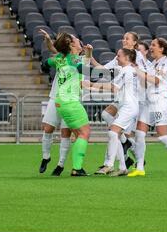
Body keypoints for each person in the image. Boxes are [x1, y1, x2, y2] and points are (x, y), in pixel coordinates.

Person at [128, 37, 167, 177]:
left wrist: (137, 70)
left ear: (161, 48)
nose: (151, 47)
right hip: (148, 102)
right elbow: (145, 80)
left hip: (160, 102)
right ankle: (139, 168)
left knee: (162, 136)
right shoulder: (153, 63)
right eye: (151, 45)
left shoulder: (165, 62)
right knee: (139, 134)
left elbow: (155, 81)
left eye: (154, 45)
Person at [91, 32, 151, 171]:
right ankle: (125, 150)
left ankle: (120, 162)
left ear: (135, 42)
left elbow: (143, 75)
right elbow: (105, 70)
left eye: (127, 38)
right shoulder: (121, 56)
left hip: (136, 99)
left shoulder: (136, 56)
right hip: (123, 96)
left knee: (116, 132)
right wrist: (91, 58)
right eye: (123, 38)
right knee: (108, 118)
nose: (124, 40)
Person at [41, 32, 92, 176]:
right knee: (83, 133)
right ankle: (76, 167)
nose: (79, 41)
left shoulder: (61, 58)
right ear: (71, 45)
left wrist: (89, 53)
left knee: (76, 133)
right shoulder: (73, 59)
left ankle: (66, 165)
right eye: (76, 40)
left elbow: (47, 62)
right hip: (70, 101)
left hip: (61, 100)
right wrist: (108, 74)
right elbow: (84, 69)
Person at [84, 48, 138, 176]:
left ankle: (109, 165)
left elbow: (113, 87)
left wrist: (90, 85)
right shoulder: (128, 70)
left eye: (119, 56)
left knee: (113, 133)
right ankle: (123, 166)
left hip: (128, 107)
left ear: (127, 58)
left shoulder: (126, 71)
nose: (116, 57)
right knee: (115, 134)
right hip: (126, 105)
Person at [38, 29, 72, 176]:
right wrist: (47, 40)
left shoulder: (77, 59)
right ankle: (46, 157)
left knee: (66, 132)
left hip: (71, 100)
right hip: (55, 97)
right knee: (47, 128)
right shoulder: (60, 57)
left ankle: (60, 164)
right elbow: (52, 53)